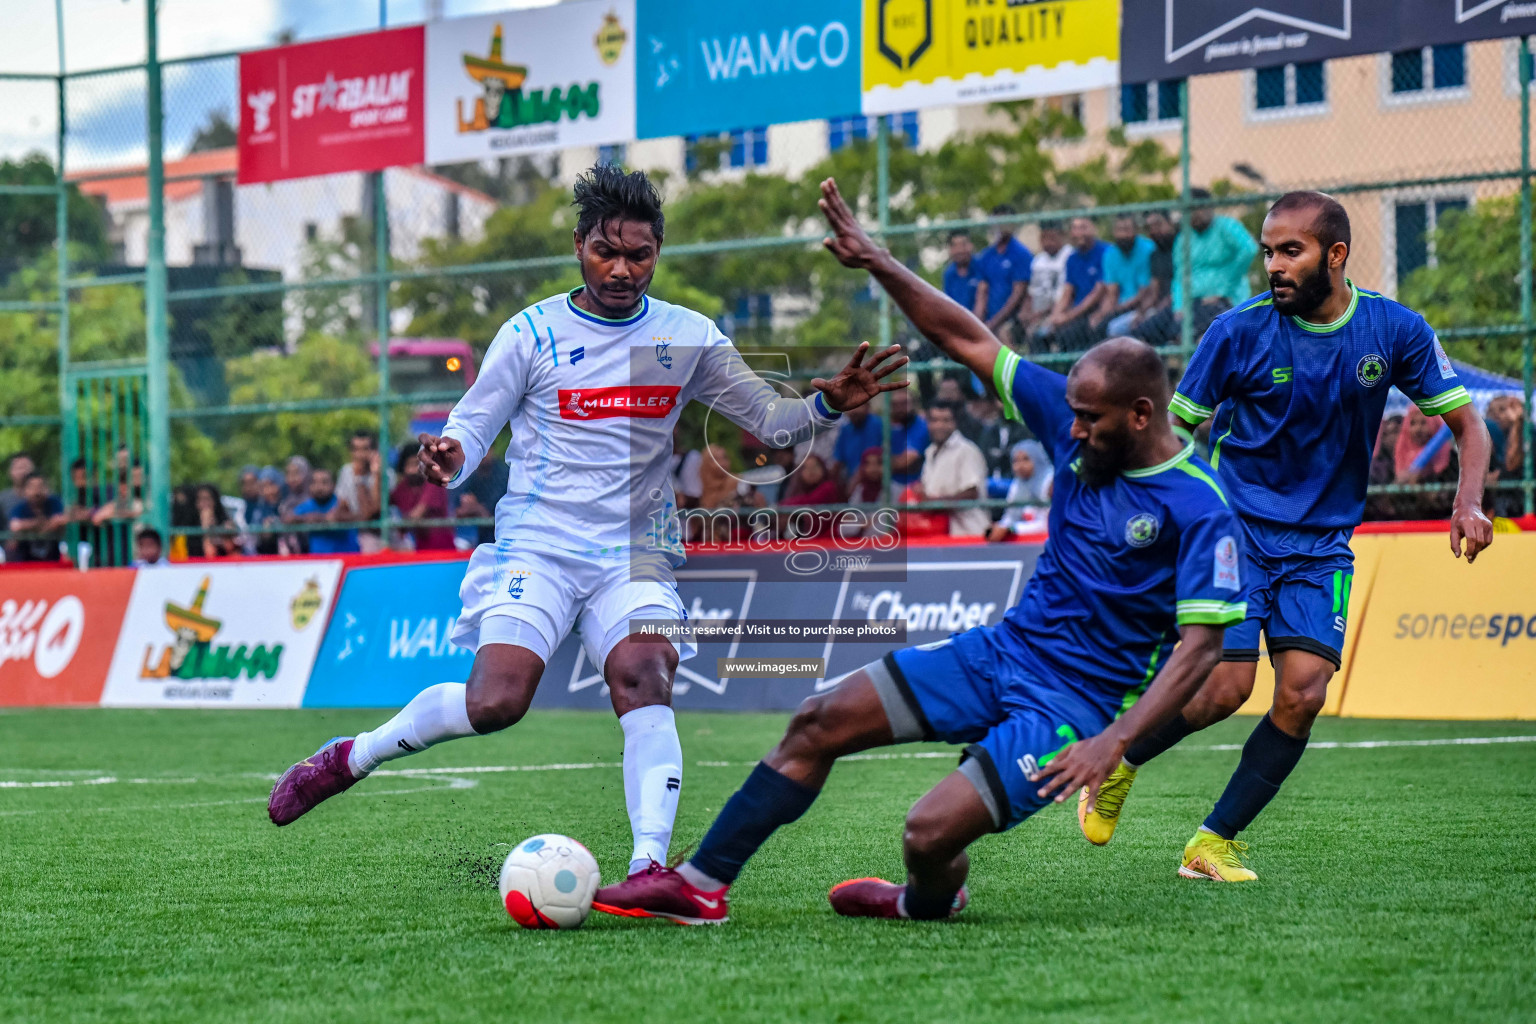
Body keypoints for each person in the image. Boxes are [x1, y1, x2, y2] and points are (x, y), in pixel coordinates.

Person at [592, 176, 1245, 925]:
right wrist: (876, 259)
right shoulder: (1077, 419)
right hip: (1000, 652)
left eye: (1089, 420)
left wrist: (1117, 744)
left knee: (926, 835)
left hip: (1074, 709)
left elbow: (1200, 650)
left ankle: (923, 901)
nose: (1070, 432)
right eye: (1069, 413)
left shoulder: (1199, 505)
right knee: (817, 721)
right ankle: (701, 884)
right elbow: (966, 337)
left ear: (1140, 414)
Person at [265, 165, 906, 886]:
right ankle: (353, 757)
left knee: (644, 673)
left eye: (640, 255)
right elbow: (473, 427)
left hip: (635, 549)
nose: (623, 269)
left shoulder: (685, 336)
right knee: (495, 703)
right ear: (579, 245)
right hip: (539, 545)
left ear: (658, 252)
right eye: (608, 252)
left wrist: (826, 405)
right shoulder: (531, 331)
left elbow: (768, 420)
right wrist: (449, 455)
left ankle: (649, 867)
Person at [1081, 191, 1493, 881]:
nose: (1274, 265)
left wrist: (1469, 501)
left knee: (1303, 693)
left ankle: (1211, 842)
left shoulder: (1395, 330)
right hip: (1235, 530)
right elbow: (1173, 431)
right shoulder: (1237, 332)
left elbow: (1467, 424)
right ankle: (1119, 758)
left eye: (1290, 251)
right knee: (1223, 689)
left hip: (1323, 543)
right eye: (1268, 252)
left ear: (1334, 256)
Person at [1137, 190, 1259, 345]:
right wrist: (1179, 307)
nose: (1192, 215)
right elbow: (1180, 275)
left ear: (1209, 208)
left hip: (1222, 301)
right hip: (1190, 303)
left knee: (1198, 337)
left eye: (1196, 209)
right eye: (1187, 211)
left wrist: (1224, 290)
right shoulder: (1183, 238)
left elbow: (1249, 250)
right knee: (1143, 334)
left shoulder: (1227, 226)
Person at [918, 403, 990, 537]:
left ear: (955, 423)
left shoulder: (966, 450)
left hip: (968, 532)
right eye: (934, 420)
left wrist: (936, 503)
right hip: (939, 532)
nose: (940, 425)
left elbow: (971, 493)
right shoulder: (930, 451)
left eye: (946, 420)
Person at [1040, 217, 1111, 352]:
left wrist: (1068, 317)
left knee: (1068, 335)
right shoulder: (1072, 259)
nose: (1079, 233)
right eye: (1075, 228)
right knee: (1041, 335)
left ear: (1093, 229)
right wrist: (1055, 316)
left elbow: (1097, 293)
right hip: (1076, 312)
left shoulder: (1106, 252)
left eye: (1083, 228)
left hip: (1095, 311)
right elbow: (1067, 292)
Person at [972, 204, 1032, 343]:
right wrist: (977, 323)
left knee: (1005, 335)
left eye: (1005, 221)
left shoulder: (1021, 254)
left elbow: (1018, 294)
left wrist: (994, 323)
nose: (1001, 226)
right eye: (997, 221)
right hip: (990, 320)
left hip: (1013, 319)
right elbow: (982, 293)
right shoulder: (986, 256)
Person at [389, 446, 456, 551]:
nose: (415, 469)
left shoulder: (433, 481)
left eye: (417, 464)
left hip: (442, 549)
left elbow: (417, 515)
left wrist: (401, 525)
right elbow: (384, 505)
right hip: (420, 549)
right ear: (403, 467)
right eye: (410, 465)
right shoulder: (403, 487)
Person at [1102, 214, 1158, 337]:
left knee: (1115, 328)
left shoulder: (1148, 249)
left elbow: (1144, 292)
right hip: (1122, 307)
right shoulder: (1110, 254)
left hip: (1145, 305)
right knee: (1098, 325)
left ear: (1135, 230)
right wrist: (1102, 313)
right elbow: (1112, 292)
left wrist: (1119, 308)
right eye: (1119, 230)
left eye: (1126, 230)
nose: (1123, 235)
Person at [335, 431, 390, 553]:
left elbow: (373, 511)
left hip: (383, 538)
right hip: (356, 537)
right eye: (356, 449)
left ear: (375, 452)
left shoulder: (386, 475)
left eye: (365, 449)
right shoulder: (346, 472)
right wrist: (360, 518)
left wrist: (361, 478)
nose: (360, 455)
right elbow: (341, 511)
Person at [987, 440, 1053, 541]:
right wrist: (1000, 527)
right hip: (1025, 541)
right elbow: (1010, 515)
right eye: (1015, 461)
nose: (1020, 465)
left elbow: (1046, 525)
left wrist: (1012, 528)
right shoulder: (1018, 484)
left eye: (1026, 459)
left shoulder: (1050, 482)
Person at [287, 468, 359, 554]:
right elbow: (288, 518)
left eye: (324, 482)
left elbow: (354, 516)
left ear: (333, 485)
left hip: (347, 557)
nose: (319, 487)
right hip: (319, 562)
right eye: (314, 483)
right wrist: (312, 518)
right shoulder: (308, 505)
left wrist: (320, 519)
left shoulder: (342, 503)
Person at [451, 449, 508, 549]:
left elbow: (494, 511)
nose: (483, 455)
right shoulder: (471, 473)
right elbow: (459, 505)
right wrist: (470, 507)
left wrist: (477, 507)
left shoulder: (503, 474)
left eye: (487, 450)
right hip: (479, 532)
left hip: (502, 531)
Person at [1022, 220, 1070, 341]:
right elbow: (1031, 292)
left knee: (1041, 333)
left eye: (1052, 238)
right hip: (1038, 312)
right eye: (1044, 238)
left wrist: (1043, 314)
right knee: (1009, 330)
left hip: (1060, 311)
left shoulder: (1069, 256)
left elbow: (1067, 294)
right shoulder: (1038, 260)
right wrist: (1027, 312)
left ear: (1062, 236)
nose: (1048, 242)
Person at [8, 473, 66, 562]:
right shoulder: (19, 508)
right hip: (25, 563)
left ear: (47, 488)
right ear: (24, 490)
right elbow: (15, 526)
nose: (36, 491)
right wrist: (43, 524)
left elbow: (59, 521)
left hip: (53, 562)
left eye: (40, 486)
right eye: (32, 487)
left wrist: (29, 526)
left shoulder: (55, 503)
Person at [831, 402, 885, 487]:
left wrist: (853, 484)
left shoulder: (878, 425)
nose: (854, 411)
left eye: (858, 406)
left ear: (868, 407)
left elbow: (872, 459)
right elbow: (838, 461)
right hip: (853, 485)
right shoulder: (846, 429)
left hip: (877, 484)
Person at [887, 388, 929, 486]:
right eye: (895, 404)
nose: (900, 408)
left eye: (904, 403)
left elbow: (905, 462)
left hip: (913, 484)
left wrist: (878, 466)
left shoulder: (921, 426)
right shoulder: (891, 427)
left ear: (914, 404)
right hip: (891, 483)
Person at [0, 452, 35, 560]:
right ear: (11, 472)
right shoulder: (3, 499)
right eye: (19, 468)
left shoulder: (47, 498)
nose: (23, 472)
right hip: (11, 556)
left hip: (42, 555)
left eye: (26, 467)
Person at [188, 483, 237, 559]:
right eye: (200, 500)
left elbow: (232, 551)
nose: (204, 504)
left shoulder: (224, 521)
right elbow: (207, 554)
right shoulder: (189, 526)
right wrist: (205, 528)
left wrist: (228, 534)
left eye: (207, 499)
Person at [941, 230, 980, 314]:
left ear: (971, 245)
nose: (960, 250)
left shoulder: (981, 267)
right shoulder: (948, 274)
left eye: (963, 245)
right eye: (955, 246)